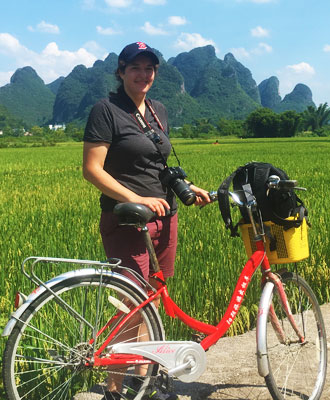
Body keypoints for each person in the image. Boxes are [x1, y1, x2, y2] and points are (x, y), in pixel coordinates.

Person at [82, 41, 211, 400]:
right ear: (121, 71)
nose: (143, 74)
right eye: (135, 67)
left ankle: (145, 381)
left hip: (166, 218)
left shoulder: (158, 111)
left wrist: (188, 187)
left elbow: (159, 166)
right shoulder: (105, 110)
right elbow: (92, 170)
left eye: (149, 68)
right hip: (126, 220)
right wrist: (136, 198)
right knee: (130, 306)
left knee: (151, 302)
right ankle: (114, 389)